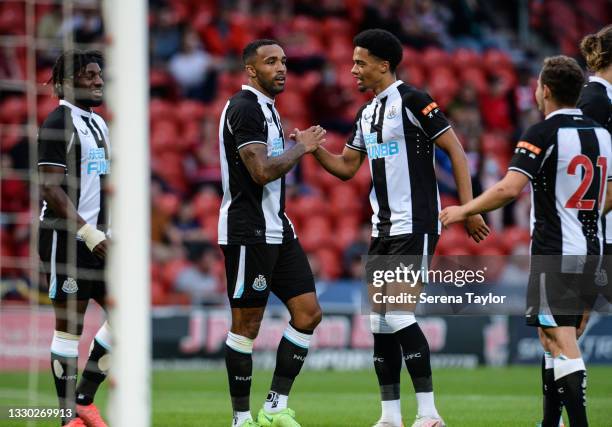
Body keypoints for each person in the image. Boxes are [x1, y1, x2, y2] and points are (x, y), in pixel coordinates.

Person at [312, 29, 489, 427]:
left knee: (399, 314)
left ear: (383, 65)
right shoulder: (366, 113)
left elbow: (456, 151)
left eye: (360, 62)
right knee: (378, 321)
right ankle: (390, 415)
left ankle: (429, 414)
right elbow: (346, 168)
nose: (353, 69)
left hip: (416, 223)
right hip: (383, 229)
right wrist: (312, 150)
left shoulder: (413, 101)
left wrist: (470, 206)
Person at [440, 55, 612, 427]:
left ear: (544, 90)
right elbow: (609, 193)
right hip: (592, 249)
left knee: (560, 337)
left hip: (556, 252)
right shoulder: (603, 134)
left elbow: (508, 188)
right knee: (552, 338)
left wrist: (463, 209)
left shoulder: (542, 133)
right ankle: (551, 423)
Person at [217, 39, 326, 427]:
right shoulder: (245, 108)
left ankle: (275, 406)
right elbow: (260, 171)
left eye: (283, 60)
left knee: (308, 314)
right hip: (249, 232)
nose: (281, 67)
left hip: (279, 227)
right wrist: (303, 148)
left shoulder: (268, 110)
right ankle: (241, 418)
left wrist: (294, 146)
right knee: (246, 326)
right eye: (270, 61)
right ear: (251, 70)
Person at [38, 50, 111, 427]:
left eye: (99, 74)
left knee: (128, 321)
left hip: (102, 239)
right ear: (67, 82)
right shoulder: (57, 123)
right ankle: (68, 419)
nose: (99, 80)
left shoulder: (98, 125)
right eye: (89, 75)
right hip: (66, 238)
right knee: (70, 327)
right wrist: (88, 232)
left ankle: (84, 398)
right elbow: (51, 187)